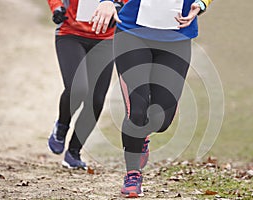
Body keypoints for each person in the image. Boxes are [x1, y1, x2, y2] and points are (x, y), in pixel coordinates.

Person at [91, 0, 212, 197]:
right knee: (136, 111)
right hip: (132, 34)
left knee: (161, 120)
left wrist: (200, 4)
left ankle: (143, 137)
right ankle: (133, 175)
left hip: (177, 38)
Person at [46, 0, 131, 169]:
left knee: (96, 100)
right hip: (70, 34)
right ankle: (62, 126)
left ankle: (73, 153)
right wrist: (57, 7)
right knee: (78, 88)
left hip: (106, 39)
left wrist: (119, 6)